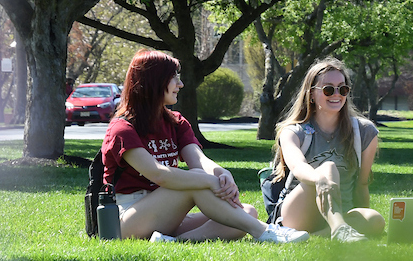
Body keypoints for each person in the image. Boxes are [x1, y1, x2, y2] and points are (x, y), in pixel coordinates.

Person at [101, 50, 309, 243]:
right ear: (153, 81)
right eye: (173, 77)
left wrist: (220, 173)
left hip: (167, 212)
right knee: (195, 183)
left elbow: (199, 160)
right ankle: (265, 232)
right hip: (124, 219)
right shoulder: (122, 128)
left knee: (246, 213)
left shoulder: (176, 122)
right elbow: (159, 175)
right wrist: (207, 180)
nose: (180, 84)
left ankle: (173, 241)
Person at [269, 58, 385, 242]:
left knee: (375, 220)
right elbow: (298, 167)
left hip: (343, 211)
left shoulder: (364, 132)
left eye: (343, 88)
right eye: (328, 89)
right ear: (312, 94)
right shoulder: (293, 131)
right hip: (299, 212)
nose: (336, 94)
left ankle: (318, 236)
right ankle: (339, 229)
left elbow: (362, 185)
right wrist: (320, 179)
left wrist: (362, 216)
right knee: (328, 167)